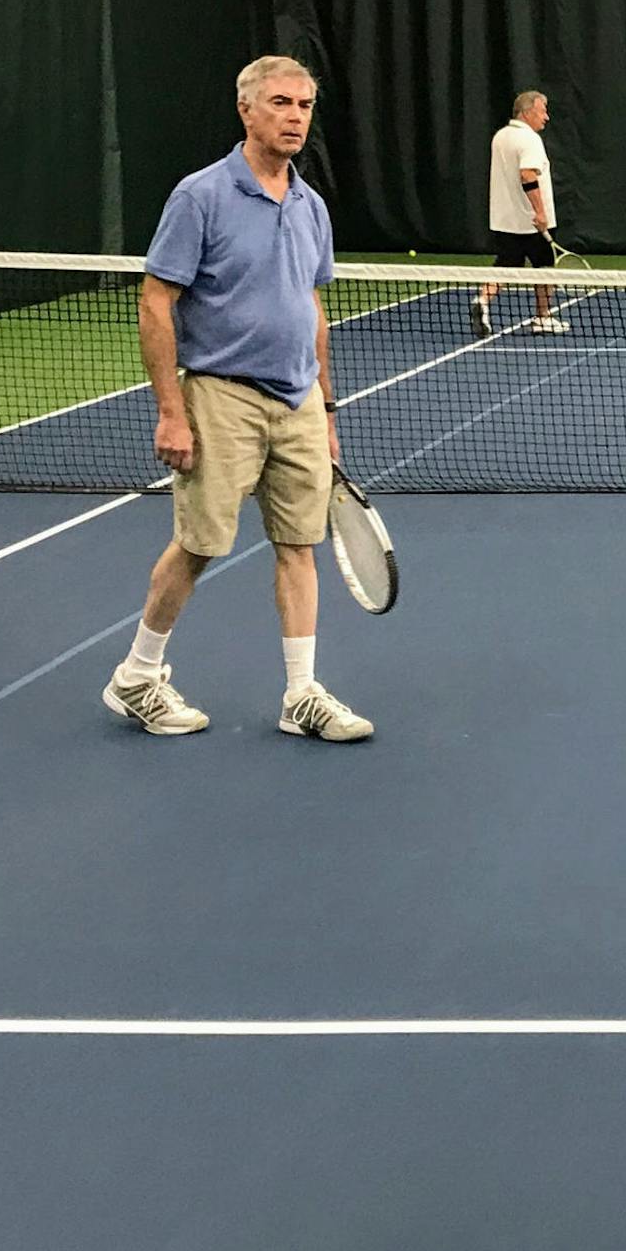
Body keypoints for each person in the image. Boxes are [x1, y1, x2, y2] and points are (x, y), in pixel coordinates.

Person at [103, 54, 372, 743]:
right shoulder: (201, 196)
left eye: (305, 105)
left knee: (298, 543)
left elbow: (309, 305)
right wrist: (171, 409)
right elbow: (157, 300)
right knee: (198, 545)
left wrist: (328, 406)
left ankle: (302, 693)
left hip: (299, 399)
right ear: (247, 110)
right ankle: (137, 675)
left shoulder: (310, 205)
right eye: (281, 103)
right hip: (221, 394)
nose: (295, 117)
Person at [471, 90, 566, 337]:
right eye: (542, 110)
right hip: (533, 222)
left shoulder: (500, 137)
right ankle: (543, 317)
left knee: (505, 265)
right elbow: (527, 175)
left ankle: (482, 301)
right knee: (544, 267)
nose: (546, 117)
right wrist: (541, 213)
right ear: (526, 112)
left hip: (505, 220)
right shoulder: (530, 140)